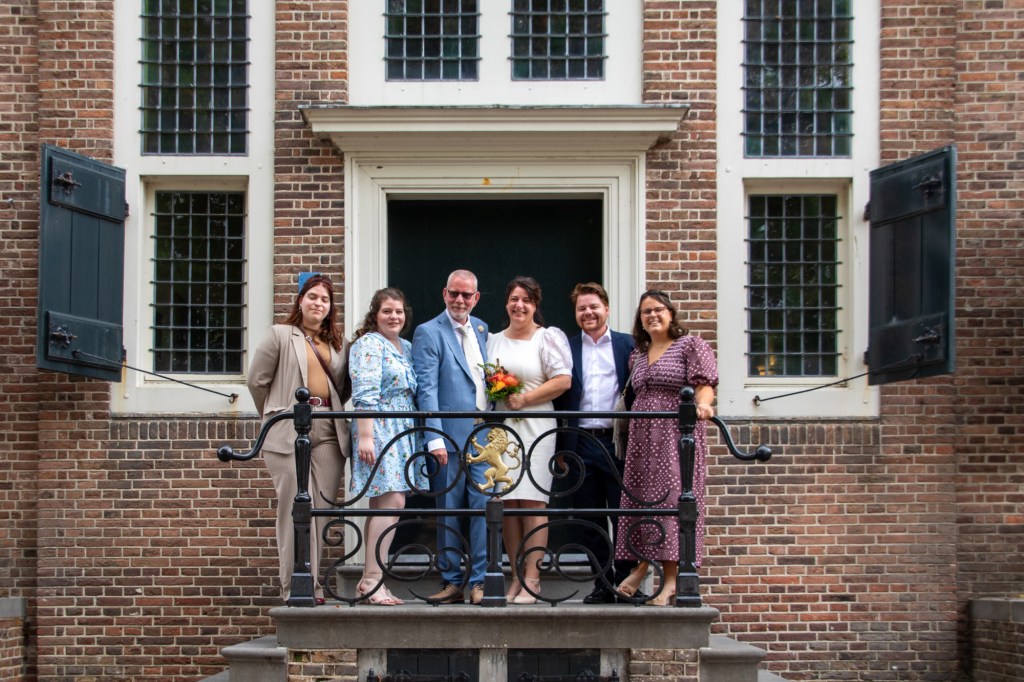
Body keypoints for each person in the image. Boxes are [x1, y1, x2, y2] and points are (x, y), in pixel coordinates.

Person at [247, 273, 351, 604]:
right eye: (312, 296)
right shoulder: (280, 335)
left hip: (329, 432)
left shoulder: (338, 343)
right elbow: (257, 381)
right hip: (290, 429)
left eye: (325, 299)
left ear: (331, 306)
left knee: (319, 509)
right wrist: (276, 416)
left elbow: (344, 388)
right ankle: (295, 589)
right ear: (300, 300)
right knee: (293, 508)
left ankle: (314, 585)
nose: (318, 303)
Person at [613, 290, 718, 606]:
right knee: (643, 503)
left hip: (675, 436)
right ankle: (643, 565)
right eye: (645, 312)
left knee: (672, 502)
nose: (652, 316)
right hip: (642, 442)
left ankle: (671, 581)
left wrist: (703, 406)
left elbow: (705, 385)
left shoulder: (690, 345)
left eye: (657, 310)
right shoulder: (638, 356)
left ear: (671, 314)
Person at [552, 282, 643, 604]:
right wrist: (563, 445)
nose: (588, 313)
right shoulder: (567, 347)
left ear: (606, 308)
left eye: (593, 307)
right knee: (589, 518)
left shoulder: (628, 345)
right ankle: (602, 583)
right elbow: (561, 399)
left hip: (618, 443)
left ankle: (627, 583)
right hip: (580, 443)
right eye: (581, 309)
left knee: (623, 514)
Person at [487, 276, 572, 604]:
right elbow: (489, 383)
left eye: (526, 300)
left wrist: (525, 399)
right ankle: (515, 575)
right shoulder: (493, 340)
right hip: (503, 428)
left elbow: (563, 380)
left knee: (533, 501)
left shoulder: (546, 337)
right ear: (506, 303)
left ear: (535, 305)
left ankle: (533, 579)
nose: (519, 305)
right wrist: (501, 391)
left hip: (536, 426)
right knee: (507, 503)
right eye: (513, 299)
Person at [411, 269, 491, 605]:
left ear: (476, 298)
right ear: (445, 294)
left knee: (484, 507)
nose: (460, 300)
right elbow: (426, 389)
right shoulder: (428, 332)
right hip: (447, 437)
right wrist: (434, 438)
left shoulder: (484, 329)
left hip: (484, 437)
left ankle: (480, 581)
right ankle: (451, 580)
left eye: (466, 295)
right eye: (454, 294)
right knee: (448, 511)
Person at [348, 287, 427, 606]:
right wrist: (366, 435)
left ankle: (373, 579)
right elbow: (365, 391)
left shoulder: (405, 347)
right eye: (387, 311)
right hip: (379, 426)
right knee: (392, 500)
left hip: (403, 429)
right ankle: (370, 579)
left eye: (399, 311)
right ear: (375, 315)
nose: (394, 317)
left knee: (387, 503)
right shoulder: (369, 343)